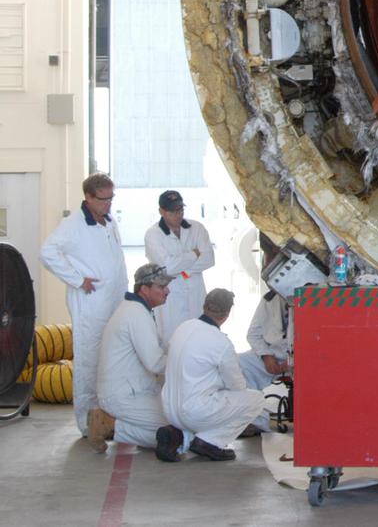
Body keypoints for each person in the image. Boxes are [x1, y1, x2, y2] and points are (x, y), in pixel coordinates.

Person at [40, 173, 128, 436]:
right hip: (91, 304)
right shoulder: (73, 225)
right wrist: (77, 279)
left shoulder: (109, 221)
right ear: (88, 197)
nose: (108, 204)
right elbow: (47, 252)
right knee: (89, 362)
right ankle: (87, 423)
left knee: (112, 359)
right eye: (103, 199)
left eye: (111, 198)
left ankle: (108, 418)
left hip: (114, 301)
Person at [160, 289, 266, 461]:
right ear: (227, 313)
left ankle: (179, 436)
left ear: (204, 306)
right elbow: (237, 386)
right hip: (195, 412)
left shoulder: (183, 327)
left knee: (206, 398)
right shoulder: (220, 342)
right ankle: (210, 442)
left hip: (169, 409)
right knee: (256, 399)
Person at [90, 263, 178, 457]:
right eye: (161, 287)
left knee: (175, 430)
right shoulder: (136, 314)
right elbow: (155, 363)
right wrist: (184, 361)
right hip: (124, 396)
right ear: (144, 289)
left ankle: (114, 426)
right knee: (178, 425)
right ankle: (110, 424)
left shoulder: (137, 309)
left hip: (133, 390)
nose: (167, 291)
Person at [144, 190, 215, 345]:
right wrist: (193, 254)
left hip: (195, 294)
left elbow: (209, 259)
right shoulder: (153, 234)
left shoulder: (197, 228)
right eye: (172, 211)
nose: (178, 215)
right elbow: (167, 267)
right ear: (161, 211)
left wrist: (182, 269)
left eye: (180, 210)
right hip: (171, 297)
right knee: (172, 342)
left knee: (198, 340)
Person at [239, 290, 293, 391]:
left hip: (302, 360)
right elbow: (253, 334)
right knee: (238, 362)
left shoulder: (314, 298)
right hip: (271, 356)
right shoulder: (269, 299)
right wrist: (266, 356)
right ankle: (252, 398)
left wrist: (294, 359)